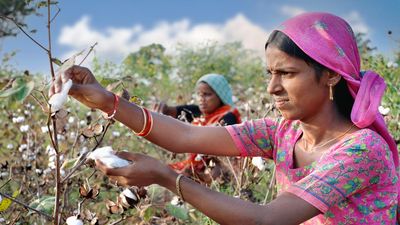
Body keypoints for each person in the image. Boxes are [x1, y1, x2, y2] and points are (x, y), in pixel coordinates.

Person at [50, 12, 399, 224]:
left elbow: (266, 220)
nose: (272, 88)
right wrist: (106, 100)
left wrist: (165, 176)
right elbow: (185, 137)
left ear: (332, 75)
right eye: (269, 73)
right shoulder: (284, 132)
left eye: (288, 74)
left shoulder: (361, 150)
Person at [153, 74, 241, 179]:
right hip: (199, 165)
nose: (201, 99)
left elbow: (221, 149)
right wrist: (163, 109)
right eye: (199, 94)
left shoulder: (229, 116)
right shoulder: (197, 112)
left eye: (207, 94)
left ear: (220, 95)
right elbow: (172, 111)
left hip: (220, 168)